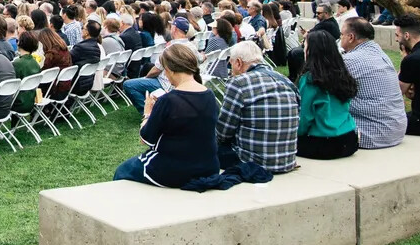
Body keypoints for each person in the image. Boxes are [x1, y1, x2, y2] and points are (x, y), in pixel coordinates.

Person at [114, 43, 219, 187]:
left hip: (172, 170)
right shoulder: (210, 95)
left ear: (169, 70)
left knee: (122, 170)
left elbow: (145, 139)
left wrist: (148, 113)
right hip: (208, 166)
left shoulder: (168, 100)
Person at [216, 40, 299, 173]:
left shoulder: (238, 83)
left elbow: (223, 132)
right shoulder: (286, 81)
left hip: (251, 162)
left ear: (238, 62)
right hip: (287, 160)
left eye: (230, 64)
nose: (230, 70)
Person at [339, 18, 407, 149]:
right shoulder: (382, 55)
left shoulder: (349, 60)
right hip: (397, 130)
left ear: (351, 37)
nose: (340, 38)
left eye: (342, 34)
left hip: (371, 134)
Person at [295, 30, 358, 159]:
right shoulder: (343, 74)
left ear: (310, 51)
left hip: (323, 143)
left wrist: (294, 135)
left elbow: (305, 117)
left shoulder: (310, 80)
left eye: (305, 47)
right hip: (349, 139)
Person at [11, 34, 41, 115]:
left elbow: (12, 85)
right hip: (31, 102)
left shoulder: (17, 63)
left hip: (17, 103)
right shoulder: (35, 63)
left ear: (20, 43)